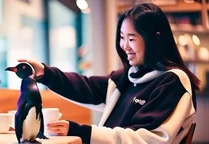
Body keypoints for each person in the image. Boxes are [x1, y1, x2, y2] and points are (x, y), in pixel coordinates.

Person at [19, 3, 200, 144]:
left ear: (155, 38)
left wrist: (82, 132)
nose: (124, 46)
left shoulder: (172, 81)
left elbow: (148, 139)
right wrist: (44, 73)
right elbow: (87, 87)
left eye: (131, 38)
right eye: (122, 37)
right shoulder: (128, 78)